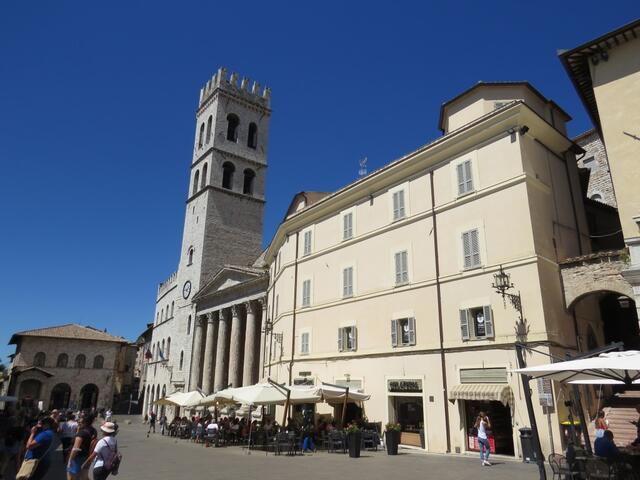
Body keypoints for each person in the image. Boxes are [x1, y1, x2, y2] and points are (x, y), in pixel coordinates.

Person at [67, 414, 97, 480]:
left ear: (85, 423)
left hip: (77, 457)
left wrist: (70, 460)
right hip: (87, 456)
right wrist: (78, 430)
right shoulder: (93, 430)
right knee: (84, 477)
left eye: (80, 422)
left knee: (71, 477)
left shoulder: (81, 434)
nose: (78, 423)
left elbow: (75, 449)